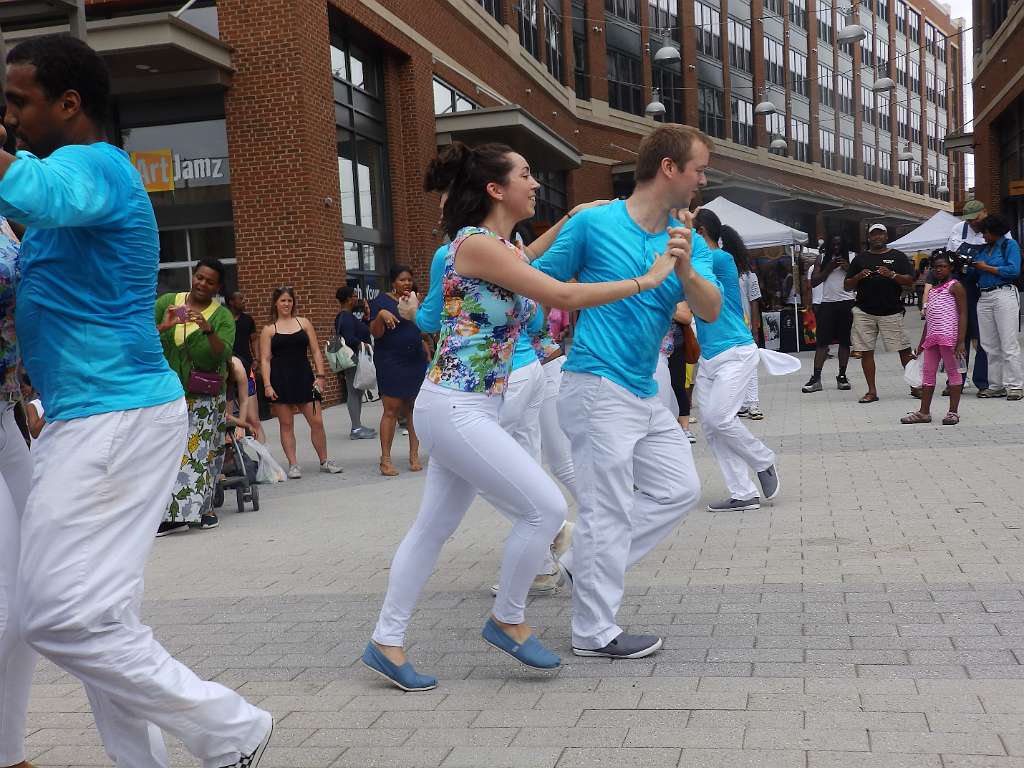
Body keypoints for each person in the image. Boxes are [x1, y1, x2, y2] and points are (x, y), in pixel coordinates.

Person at [1, 34, 272, 767]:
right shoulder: (84, 177)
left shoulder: (95, 166)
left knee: (57, 617)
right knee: (99, 617)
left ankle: (231, 728)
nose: (10, 116)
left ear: (68, 103)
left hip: (111, 418)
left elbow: (31, 191)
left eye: (19, 101)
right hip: (97, 415)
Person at [364, 140, 688, 691]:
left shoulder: (495, 245)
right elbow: (561, 293)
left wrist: (569, 217)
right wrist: (648, 280)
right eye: (526, 175)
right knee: (544, 508)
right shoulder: (474, 245)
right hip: (455, 406)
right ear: (496, 189)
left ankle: (385, 641)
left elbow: (527, 259)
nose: (535, 183)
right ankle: (508, 619)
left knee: (433, 528)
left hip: (468, 405)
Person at [532, 124, 722, 660]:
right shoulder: (595, 223)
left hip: (643, 390)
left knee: (678, 489)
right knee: (605, 510)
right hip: (596, 384)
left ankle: (582, 563)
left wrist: (685, 268)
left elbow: (709, 310)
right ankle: (593, 631)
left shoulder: (685, 236)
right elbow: (535, 281)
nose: (702, 181)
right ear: (669, 168)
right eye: (699, 170)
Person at [691, 212, 780, 513]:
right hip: (709, 358)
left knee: (720, 418)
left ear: (700, 231)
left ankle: (762, 459)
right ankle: (743, 493)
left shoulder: (719, 259)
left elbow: (686, 267)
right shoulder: (697, 261)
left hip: (735, 352)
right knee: (711, 427)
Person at [155, 258, 235, 535]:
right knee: (170, 453)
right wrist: (164, 327)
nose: (202, 284)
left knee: (201, 453)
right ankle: (171, 511)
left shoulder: (221, 316)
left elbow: (223, 353)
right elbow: (141, 337)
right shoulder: (168, 303)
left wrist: (207, 329)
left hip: (204, 395)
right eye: (199, 277)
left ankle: (201, 509)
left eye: (209, 282)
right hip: (167, 393)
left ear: (218, 287)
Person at [0, 208, 38, 768]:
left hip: (7, 415)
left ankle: (8, 750)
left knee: (35, 588)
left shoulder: (8, 219)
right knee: (6, 603)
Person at [260, 287, 342, 478]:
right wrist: (267, 385)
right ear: (275, 303)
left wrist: (321, 376)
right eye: (283, 300)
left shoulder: (304, 323)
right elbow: (265, 360)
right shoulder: (269, 329)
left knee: (317, 421)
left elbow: (315, 351)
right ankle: (293, 464)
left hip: (304, 377)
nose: (286, 304)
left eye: (289, 300)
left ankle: (324, 460)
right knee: (286, 424)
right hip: (280, 379)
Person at [844, 223, 915, 402]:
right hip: (864, 312)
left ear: (886, 236)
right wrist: (859, 276)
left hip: (891, 311)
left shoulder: (897, 256)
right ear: (868, 238)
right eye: (873, 234)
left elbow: (910, 281)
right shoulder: (860, 259)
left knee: (904, 349)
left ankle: (915, 386)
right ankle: (872, 391)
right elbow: (847, 285)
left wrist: (891, 275)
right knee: (866, 351)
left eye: (880, 234)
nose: (877, 237)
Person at [369, 265, 429, 476]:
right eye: (402, 280)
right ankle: (385, 459)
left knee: (414, 409)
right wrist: (380, 316)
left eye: (409, 279)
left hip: (415, 360)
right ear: (393, 282)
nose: (407, 283)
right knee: (391, 410)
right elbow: (376, 334)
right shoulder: (380, 302)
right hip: (391, 361)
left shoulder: (415, 300)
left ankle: (414, 455)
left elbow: (424, 329)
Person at [901, 253, 966, 425]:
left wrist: (961, 341)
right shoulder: (932, 290)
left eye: (943, 266)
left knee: (953, 373)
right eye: (935, 267)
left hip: (949, 338)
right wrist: (922, 344)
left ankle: (953, 412)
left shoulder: (955, 286)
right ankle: (924, 412)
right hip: (932, 339)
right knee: (928, 374)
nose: (938, 270)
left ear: (950, 268)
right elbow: (929, 320)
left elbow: (963, 314)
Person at [971, 215, 1022, 400]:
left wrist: (986, 268)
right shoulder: (984, 249)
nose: (983, 236)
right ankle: (996, 384)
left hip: (1004, 293)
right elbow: (976, 271)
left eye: (985, 232)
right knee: (989, 344)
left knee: (1008, 342)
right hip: (984, 295)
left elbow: (1014, 270)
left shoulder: (1010, 245)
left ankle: (1015, 385)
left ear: (995, 231)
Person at [802, 235, 855, 393]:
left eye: (839, 244)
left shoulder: (852, 257)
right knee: (822, 343)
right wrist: (829, 267)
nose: (836, 247)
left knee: (844, 342)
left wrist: (848, 268)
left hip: (846, 302)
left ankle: (842, 376)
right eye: (833, 244)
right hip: (827, 303)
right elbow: (814, 282)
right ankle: (816, 378)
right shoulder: (822, 258)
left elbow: (858, 280)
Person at [334, 286, 376, 439]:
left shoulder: (348, 317)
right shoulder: (345, 317)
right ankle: (356, 429)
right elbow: (349, 338)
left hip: (355, 358)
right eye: (353, 296)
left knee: (357, 392)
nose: (356, 298)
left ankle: (357, 425)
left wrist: (366, 317)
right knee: (353, 392)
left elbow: (359, 331)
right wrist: (364, 345)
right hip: (353, 359)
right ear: (347, 299)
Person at [730, 231, 764, 420]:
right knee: (734, 365)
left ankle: (753, 403)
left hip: (744, 324)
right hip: (727, 325)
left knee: (749, 364)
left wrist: (755, 327)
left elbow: (754, 301)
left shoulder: (748, 276)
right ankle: (742, 404)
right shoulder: (720, 272)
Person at [227, 290, 263, 441]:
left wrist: (257, 359)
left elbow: (254, 339)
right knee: (228, 420)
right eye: (240, 299)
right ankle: (232, 451)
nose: (244, 301)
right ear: (231, 302)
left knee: (253, 419)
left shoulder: (248, 320)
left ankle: (263, 453)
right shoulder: (223, 319)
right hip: (227, 371)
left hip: (247, 370)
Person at [666, 302, 696, 443]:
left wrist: (662, 305)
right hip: (649, 348)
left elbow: (686, 318)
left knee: (678, 386)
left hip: (675, 346)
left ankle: (685, 428)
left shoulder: (675, 295)